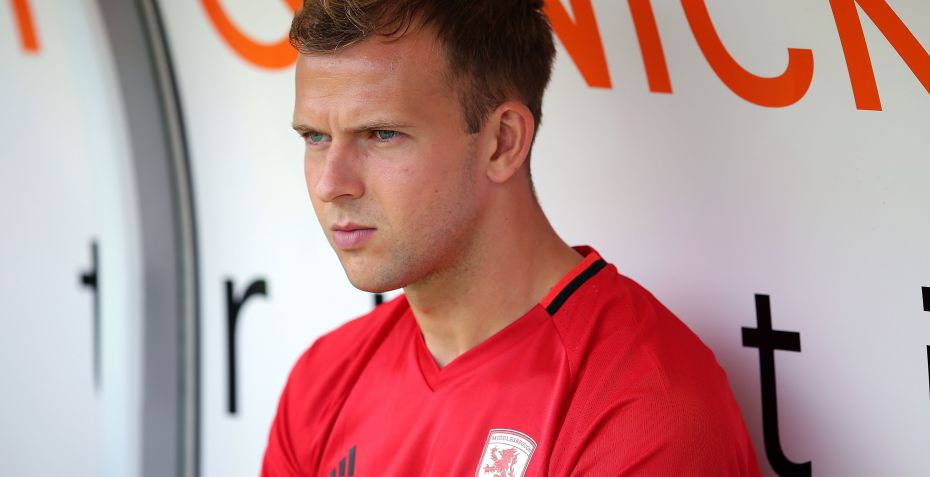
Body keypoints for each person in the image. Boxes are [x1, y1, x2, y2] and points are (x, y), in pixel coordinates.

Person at [262, 1, 760, 475]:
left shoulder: (640, 407)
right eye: (315, 137)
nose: (331, 184)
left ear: (502, 142)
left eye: (381, 134)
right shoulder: (323, 381)